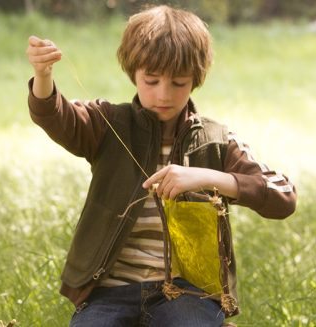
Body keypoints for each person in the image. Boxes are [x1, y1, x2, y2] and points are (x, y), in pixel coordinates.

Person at [25, 5, 297, 326]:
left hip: (188, 292)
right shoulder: (109, 123)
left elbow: (283, 197)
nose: (163, 95)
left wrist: (208, 177)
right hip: (110, 290)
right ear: (133, 73)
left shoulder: (216, 140)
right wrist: (43, 76)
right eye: (151, 81)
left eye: (178, 83)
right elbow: (56, 116)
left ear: (196, 79)